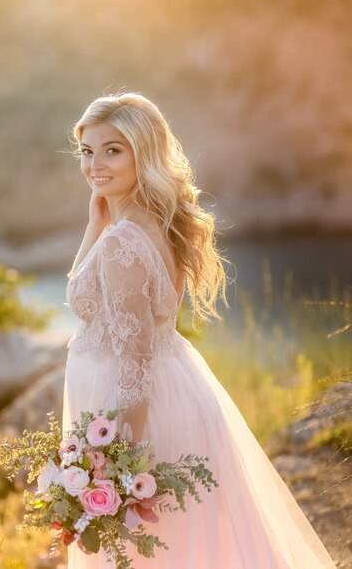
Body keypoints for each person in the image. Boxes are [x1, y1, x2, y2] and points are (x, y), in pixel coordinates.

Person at [62, 92, 337, 568]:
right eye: (88, 151)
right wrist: (95, 223)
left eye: (113, 149)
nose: (94, 165)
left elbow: (133, 367)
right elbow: (95, 300)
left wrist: (114, 473)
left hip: (134, 416)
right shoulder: (152, 223)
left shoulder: (122, 244)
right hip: (175, 394)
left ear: (143, 153)